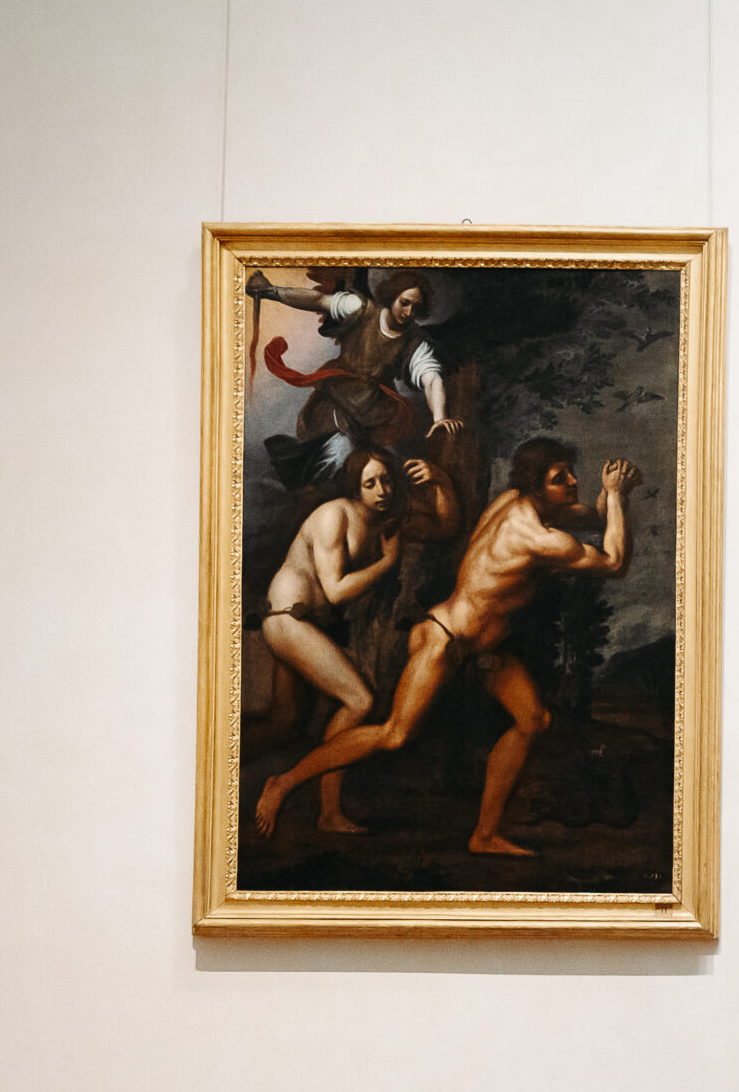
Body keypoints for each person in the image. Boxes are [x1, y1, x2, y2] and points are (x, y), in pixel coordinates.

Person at [251, 439, 636, 857]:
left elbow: (594, 516)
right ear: (536, 486)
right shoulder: (535, 536)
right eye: (560, 478)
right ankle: (284, 782)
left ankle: (484, 836)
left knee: (533, 719)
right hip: (445, 639)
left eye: (570, 474)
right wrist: (615, 495)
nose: (573, 482)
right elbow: (614, 561)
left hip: (485, 646)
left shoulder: (516, 501)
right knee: (395, 735)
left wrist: (611, 498)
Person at [255, 449, 461, 835]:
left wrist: (440, 481)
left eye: (386, 481)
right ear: (354, 486)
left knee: (282, 724)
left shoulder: (385, 521)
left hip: (305, 625)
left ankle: (298, 801)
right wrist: (387, 563)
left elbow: (446, 528)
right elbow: (334, 592)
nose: (381, 490)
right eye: (370, 483)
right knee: (360, 700)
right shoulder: (337, 515)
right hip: (287, 620)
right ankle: (309, 799)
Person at [248, 269, 464, 488]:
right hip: (333, 405)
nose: (408, 312)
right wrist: (271, 291)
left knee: (374, 470)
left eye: (416, 308)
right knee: (338, 455)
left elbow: (431, 378)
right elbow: (318, 299)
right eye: (405, 302)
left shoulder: (415, 342)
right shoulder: (361, 309)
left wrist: (440, 417)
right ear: (393, 296)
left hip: (371, 417)